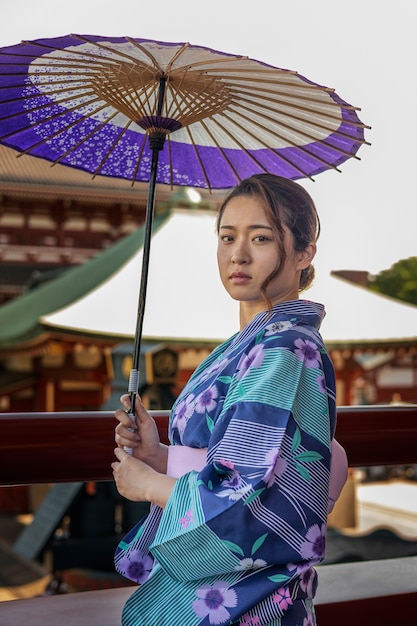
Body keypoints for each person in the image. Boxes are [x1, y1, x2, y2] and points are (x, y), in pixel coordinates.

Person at [112, 174, 347, 626]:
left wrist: (148, 485)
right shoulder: (245, 345)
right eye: (227, 237)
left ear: (304, 253)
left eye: (260, 238)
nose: (237, 254)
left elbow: (250, 498)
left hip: (250, 606)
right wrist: (158, 454)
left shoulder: (285, 347)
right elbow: (235, 461)